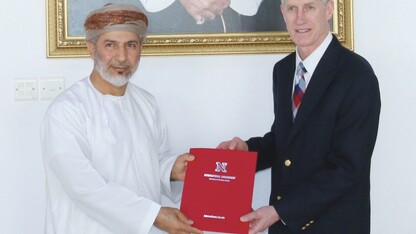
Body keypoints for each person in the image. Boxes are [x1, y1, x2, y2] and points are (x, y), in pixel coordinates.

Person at [217, 0, 381, 233]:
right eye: (292, 8)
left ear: (329, 9)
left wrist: (279, 211)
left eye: (309, 7)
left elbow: (348, 168)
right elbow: (286, 141)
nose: (300, 18)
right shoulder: (283, 70)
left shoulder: (357, 75)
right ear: (283, 12)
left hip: (334, 226)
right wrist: (246, 151)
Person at [40, 3, 202, 234]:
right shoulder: (66, 110)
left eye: (131, 45)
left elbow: (151, 162)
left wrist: (172, 170)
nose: (122, 56)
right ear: (91, 49)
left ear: (140, 49)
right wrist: (154, 216)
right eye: (110, 45)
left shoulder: (146, 103)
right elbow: (84, 187)